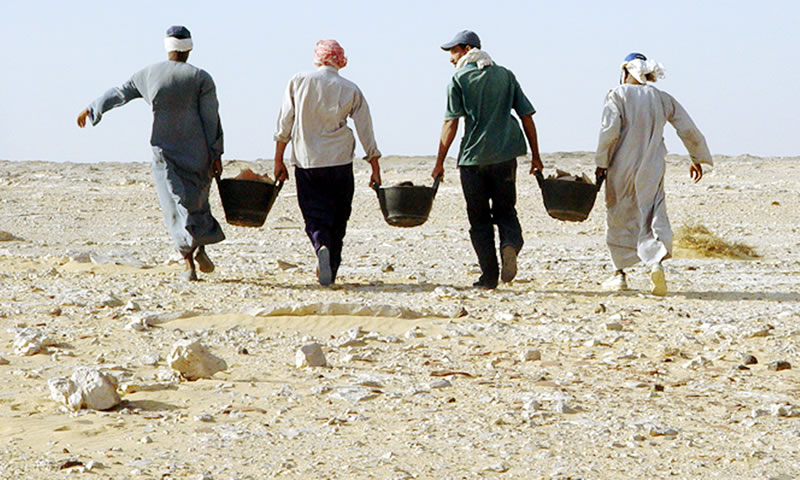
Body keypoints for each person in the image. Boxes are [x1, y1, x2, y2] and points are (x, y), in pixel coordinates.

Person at [77, 26, 225, 282]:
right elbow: (211, 118)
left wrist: (92, 109)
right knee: (196, 202)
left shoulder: (148, 74)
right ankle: (198, 246)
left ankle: (188, 263)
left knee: (173, 206)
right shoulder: (201, 77)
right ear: (189, 48)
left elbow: (119, 93)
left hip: (163, 152)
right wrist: (216, 152)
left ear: (167, 48)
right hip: (197, 152)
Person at [433, 30, 543, 290]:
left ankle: (488, 277)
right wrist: (536, 156)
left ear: (466, 49)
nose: (450, 59)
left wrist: (439, 162)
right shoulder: (505, 75)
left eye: (453, 52)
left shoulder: (458, 79)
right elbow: (527, 115)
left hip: (473, 160)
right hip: (505, 156)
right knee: (506, 211)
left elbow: (451, 123)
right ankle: (510, 245)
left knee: (479, 220)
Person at [595, 52, 712, 296]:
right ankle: (655, 262)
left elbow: (609, 131)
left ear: (625, 70)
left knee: (619, 215)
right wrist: (696, 157)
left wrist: (601, 162)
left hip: (621, 166)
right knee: (652, 213)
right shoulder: (661, 98)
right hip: (653, 166)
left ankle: (620, 274)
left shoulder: (617, 95)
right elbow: (686, 127)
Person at [274, 40, 382, 286]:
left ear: (317, 58)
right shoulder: (350, 88)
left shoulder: (298, 81)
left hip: (307, 160)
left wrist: (278, 159)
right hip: (340, 161)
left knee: (314, 214)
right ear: (341, 60)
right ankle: (331, 269)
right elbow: (365, 129)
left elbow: (285, 123)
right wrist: (374, 165)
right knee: (339, 216)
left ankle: (320, 244)